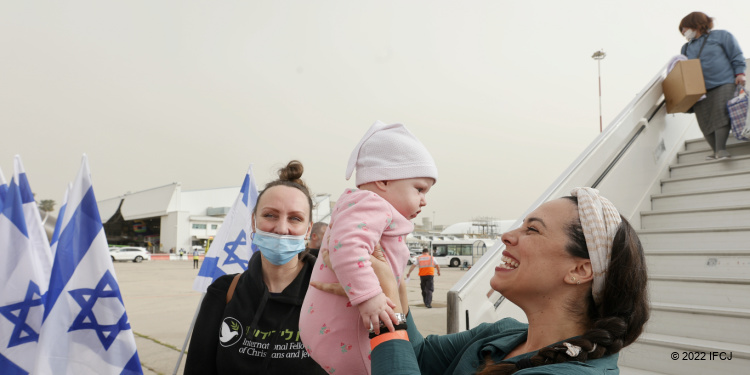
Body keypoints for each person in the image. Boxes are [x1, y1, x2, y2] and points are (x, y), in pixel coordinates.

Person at [319, 188, 649, 374]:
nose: (506, 236)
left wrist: (383, 321)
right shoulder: (502, 334)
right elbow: (418, 356)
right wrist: (391, 291)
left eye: (532, 230)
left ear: (580, 270)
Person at [299, 120, 438, 375]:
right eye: (419, 189)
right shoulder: (371, 202)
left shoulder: (370, 207)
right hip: (352, 328)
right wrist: (370, 297)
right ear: (383, 180)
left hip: (341, 330)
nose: (424, 200)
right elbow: (348, 246)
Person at [185, 160, 326, 374]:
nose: (281, 228)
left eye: (295, 218)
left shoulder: (330, 292)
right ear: (253, 222)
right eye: (270, 215)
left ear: (307, 230)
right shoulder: (224, 291)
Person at [679, 11, 746, 160]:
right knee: (704, 119)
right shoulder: (685, 48)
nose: (683, 32)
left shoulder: (721, 36)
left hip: (724, 81)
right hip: (699, 89)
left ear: (695, 23)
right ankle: (715, 150)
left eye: (684, 28)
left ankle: (721, 150)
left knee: (721, 113)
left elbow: (736, 54)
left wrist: (740, 73)